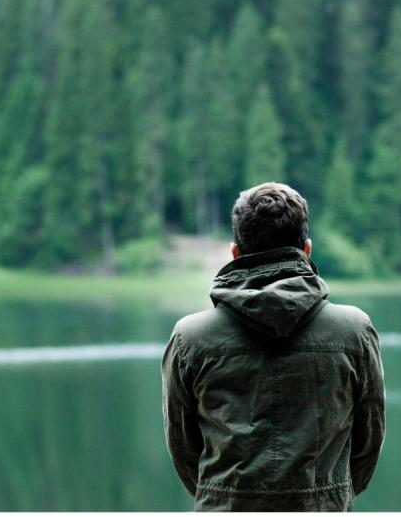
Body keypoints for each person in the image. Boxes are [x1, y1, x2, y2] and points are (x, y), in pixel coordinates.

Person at [162, 182, 385, 511]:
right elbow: (369, 441)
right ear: (306, 250)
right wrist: (329, 497)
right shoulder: (354, 331)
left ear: (235, 253)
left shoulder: (189, 338)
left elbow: (183, 448)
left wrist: (226, 497)